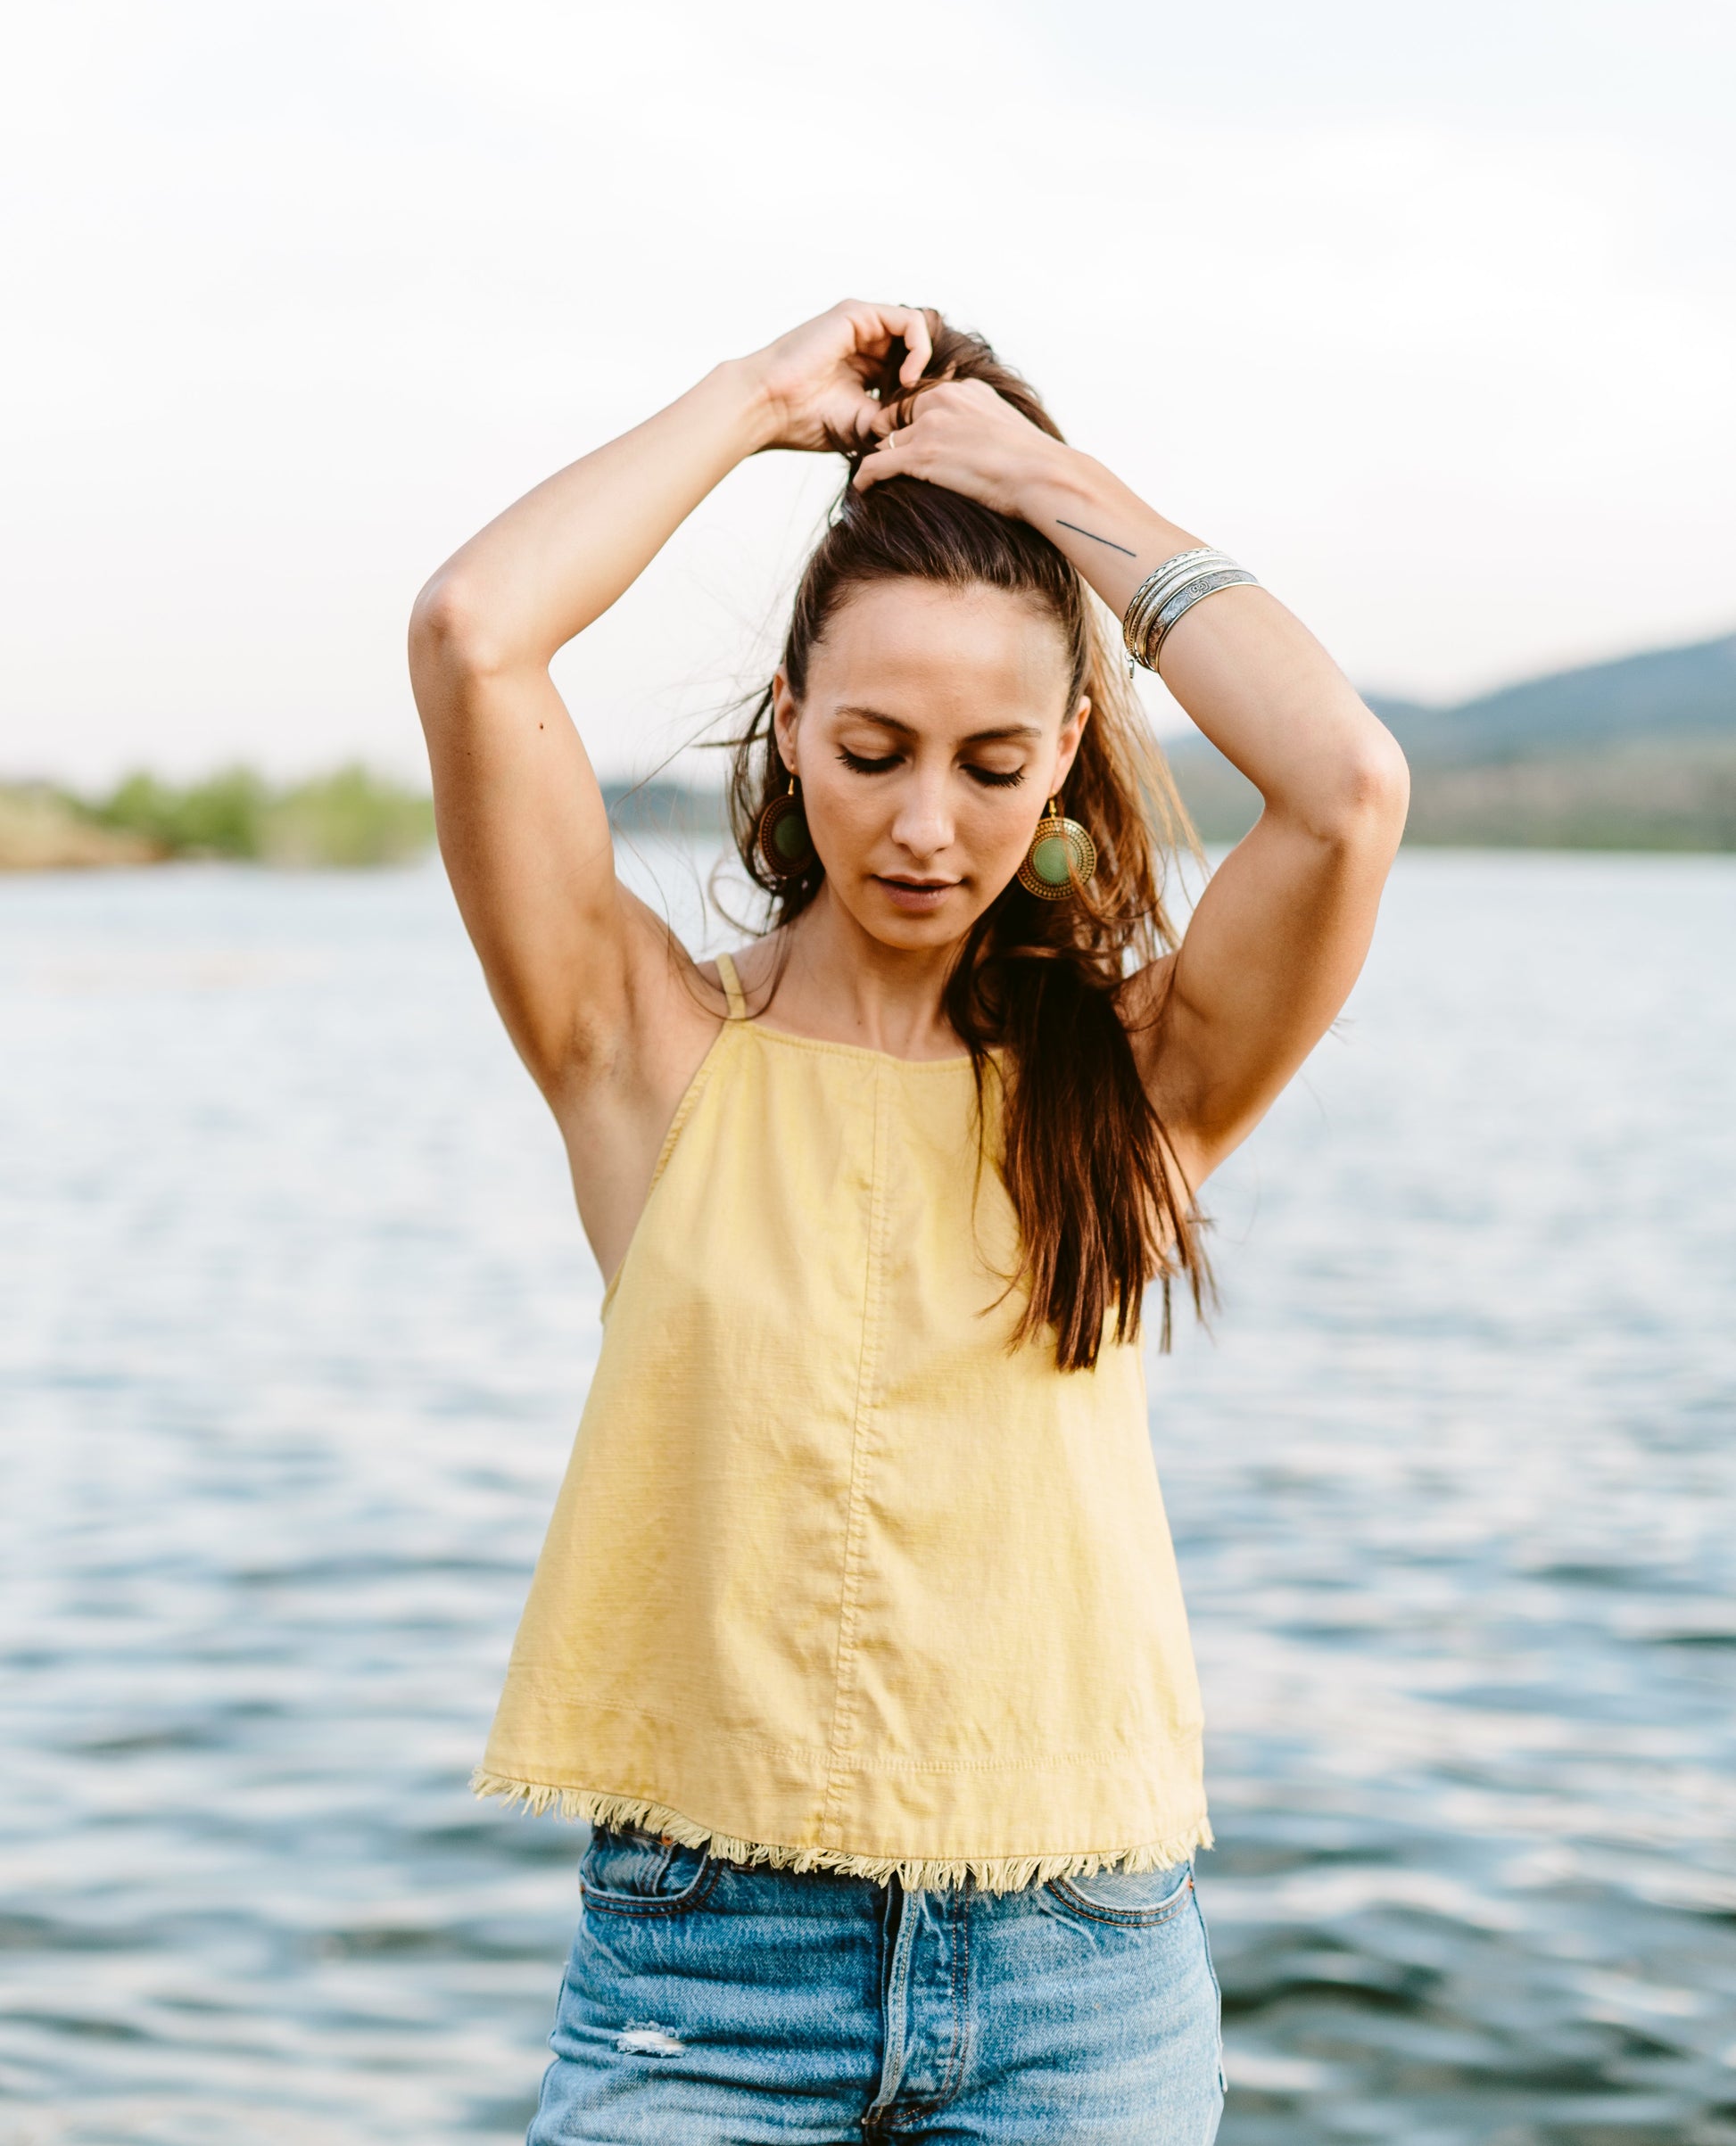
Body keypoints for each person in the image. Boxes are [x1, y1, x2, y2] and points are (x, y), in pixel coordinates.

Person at [409, 301, 1409, 2143]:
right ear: (787, 727)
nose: (926, 825)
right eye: (870, 746)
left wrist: (1045, 480)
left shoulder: (1136, 1077)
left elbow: (1344, 785)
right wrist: (757, 405)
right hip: (705, 1966)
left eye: (989, 758)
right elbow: (478, 634)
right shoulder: (642, 1045)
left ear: (1062, 757)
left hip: (1080, 1970)